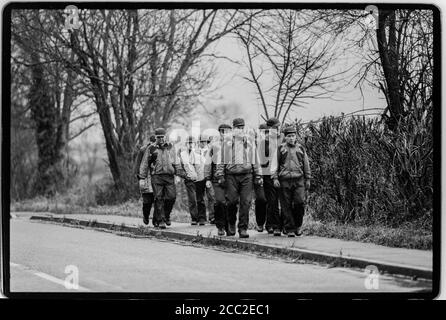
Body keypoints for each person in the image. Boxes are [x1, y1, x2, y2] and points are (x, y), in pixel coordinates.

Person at [216, 118, 262, 238]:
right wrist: (220, 174)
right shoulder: (227, 141)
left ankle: (243, 228)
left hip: (247, 175)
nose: (240, 130)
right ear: (234, 128)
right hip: (231, 175)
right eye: (238, 127)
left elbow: (255, 158)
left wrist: (258, 175)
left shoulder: (249, 141)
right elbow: (221, 159)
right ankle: (231, 223)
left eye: (242, 127)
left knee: (245, 202)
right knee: (231, 201)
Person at [271, 125, 311, 237]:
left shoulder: (301, 148)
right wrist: (275, 178)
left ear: (296, 136)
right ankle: (290, 229)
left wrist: (308, 178)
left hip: (299, 180)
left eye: (293, 136)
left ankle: (298, 226)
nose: (291, 138)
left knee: (299, 203)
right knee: (286, 205)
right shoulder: (281, 148)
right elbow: (275, 164)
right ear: (285, 137)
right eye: (289, 136)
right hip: (284, 180)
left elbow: (306, 164)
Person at [139, 128, 180, 229]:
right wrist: (142, 178)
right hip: (156, 176)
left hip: (169, 176)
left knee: (172, 197)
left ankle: (166, 215)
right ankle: (161, 220)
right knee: (158, 198)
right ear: (156, 137)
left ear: (165, 136)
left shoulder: (171, 147)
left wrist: (178, 174)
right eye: (159, 137)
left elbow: (176, 162)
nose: (161, 139)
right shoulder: (151, 148)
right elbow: (144, 163)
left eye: (162, 137)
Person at [204, 124, 232, 236]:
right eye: (223, 131)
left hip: (231, 179)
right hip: (217, 179)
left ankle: (229, 225)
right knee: (220, 202)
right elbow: (208, 163)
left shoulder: (235, 145)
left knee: (230, 203)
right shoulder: (214, 146)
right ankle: (220, 226)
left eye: (228, 131)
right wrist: (207, 178)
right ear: (219, 132)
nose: (225, 134)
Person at [179, 136, 207, 225]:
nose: (190, 145)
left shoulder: (199, 153)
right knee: (192, 199)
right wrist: (185, 176)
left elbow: (203, 165)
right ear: (186, 144)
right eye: (189, 143)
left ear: (195, 144)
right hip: (189, 180)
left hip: (200, 179)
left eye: (192, 143)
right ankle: (194, 218)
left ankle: (202, 218)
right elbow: (180, 167)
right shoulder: (182, 154)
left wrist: (203, 177)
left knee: (200, 199)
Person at [134, 135, 157, 226]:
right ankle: (146, 216)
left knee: (158, 201)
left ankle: (156, 220)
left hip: (156, 178)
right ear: (150, 142)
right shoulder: (143, 150)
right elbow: (138, 164)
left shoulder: (160, 149)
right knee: (147, 201)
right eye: (152, 142)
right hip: (145, 178)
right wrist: (139, 177)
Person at [265, 117, 282, 236]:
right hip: (268, 174)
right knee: (273, 201)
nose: (278, 129)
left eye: (279, 126)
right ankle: (274, 225)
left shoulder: (283, 138)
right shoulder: (264, 141)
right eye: (276, 127)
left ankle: (284, 224)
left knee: (285, 201)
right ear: (270, 128)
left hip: (283, 173)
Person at [198, 134, 216, 224]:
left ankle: (212, 217)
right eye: (202, 141)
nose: (204, 143)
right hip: (199, 177)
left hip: (208, 177)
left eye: (205, 141)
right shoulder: (196, 151)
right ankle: (201, 218)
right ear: (199, 142)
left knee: (211, 197)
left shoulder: (211, 151)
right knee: (200, 198)